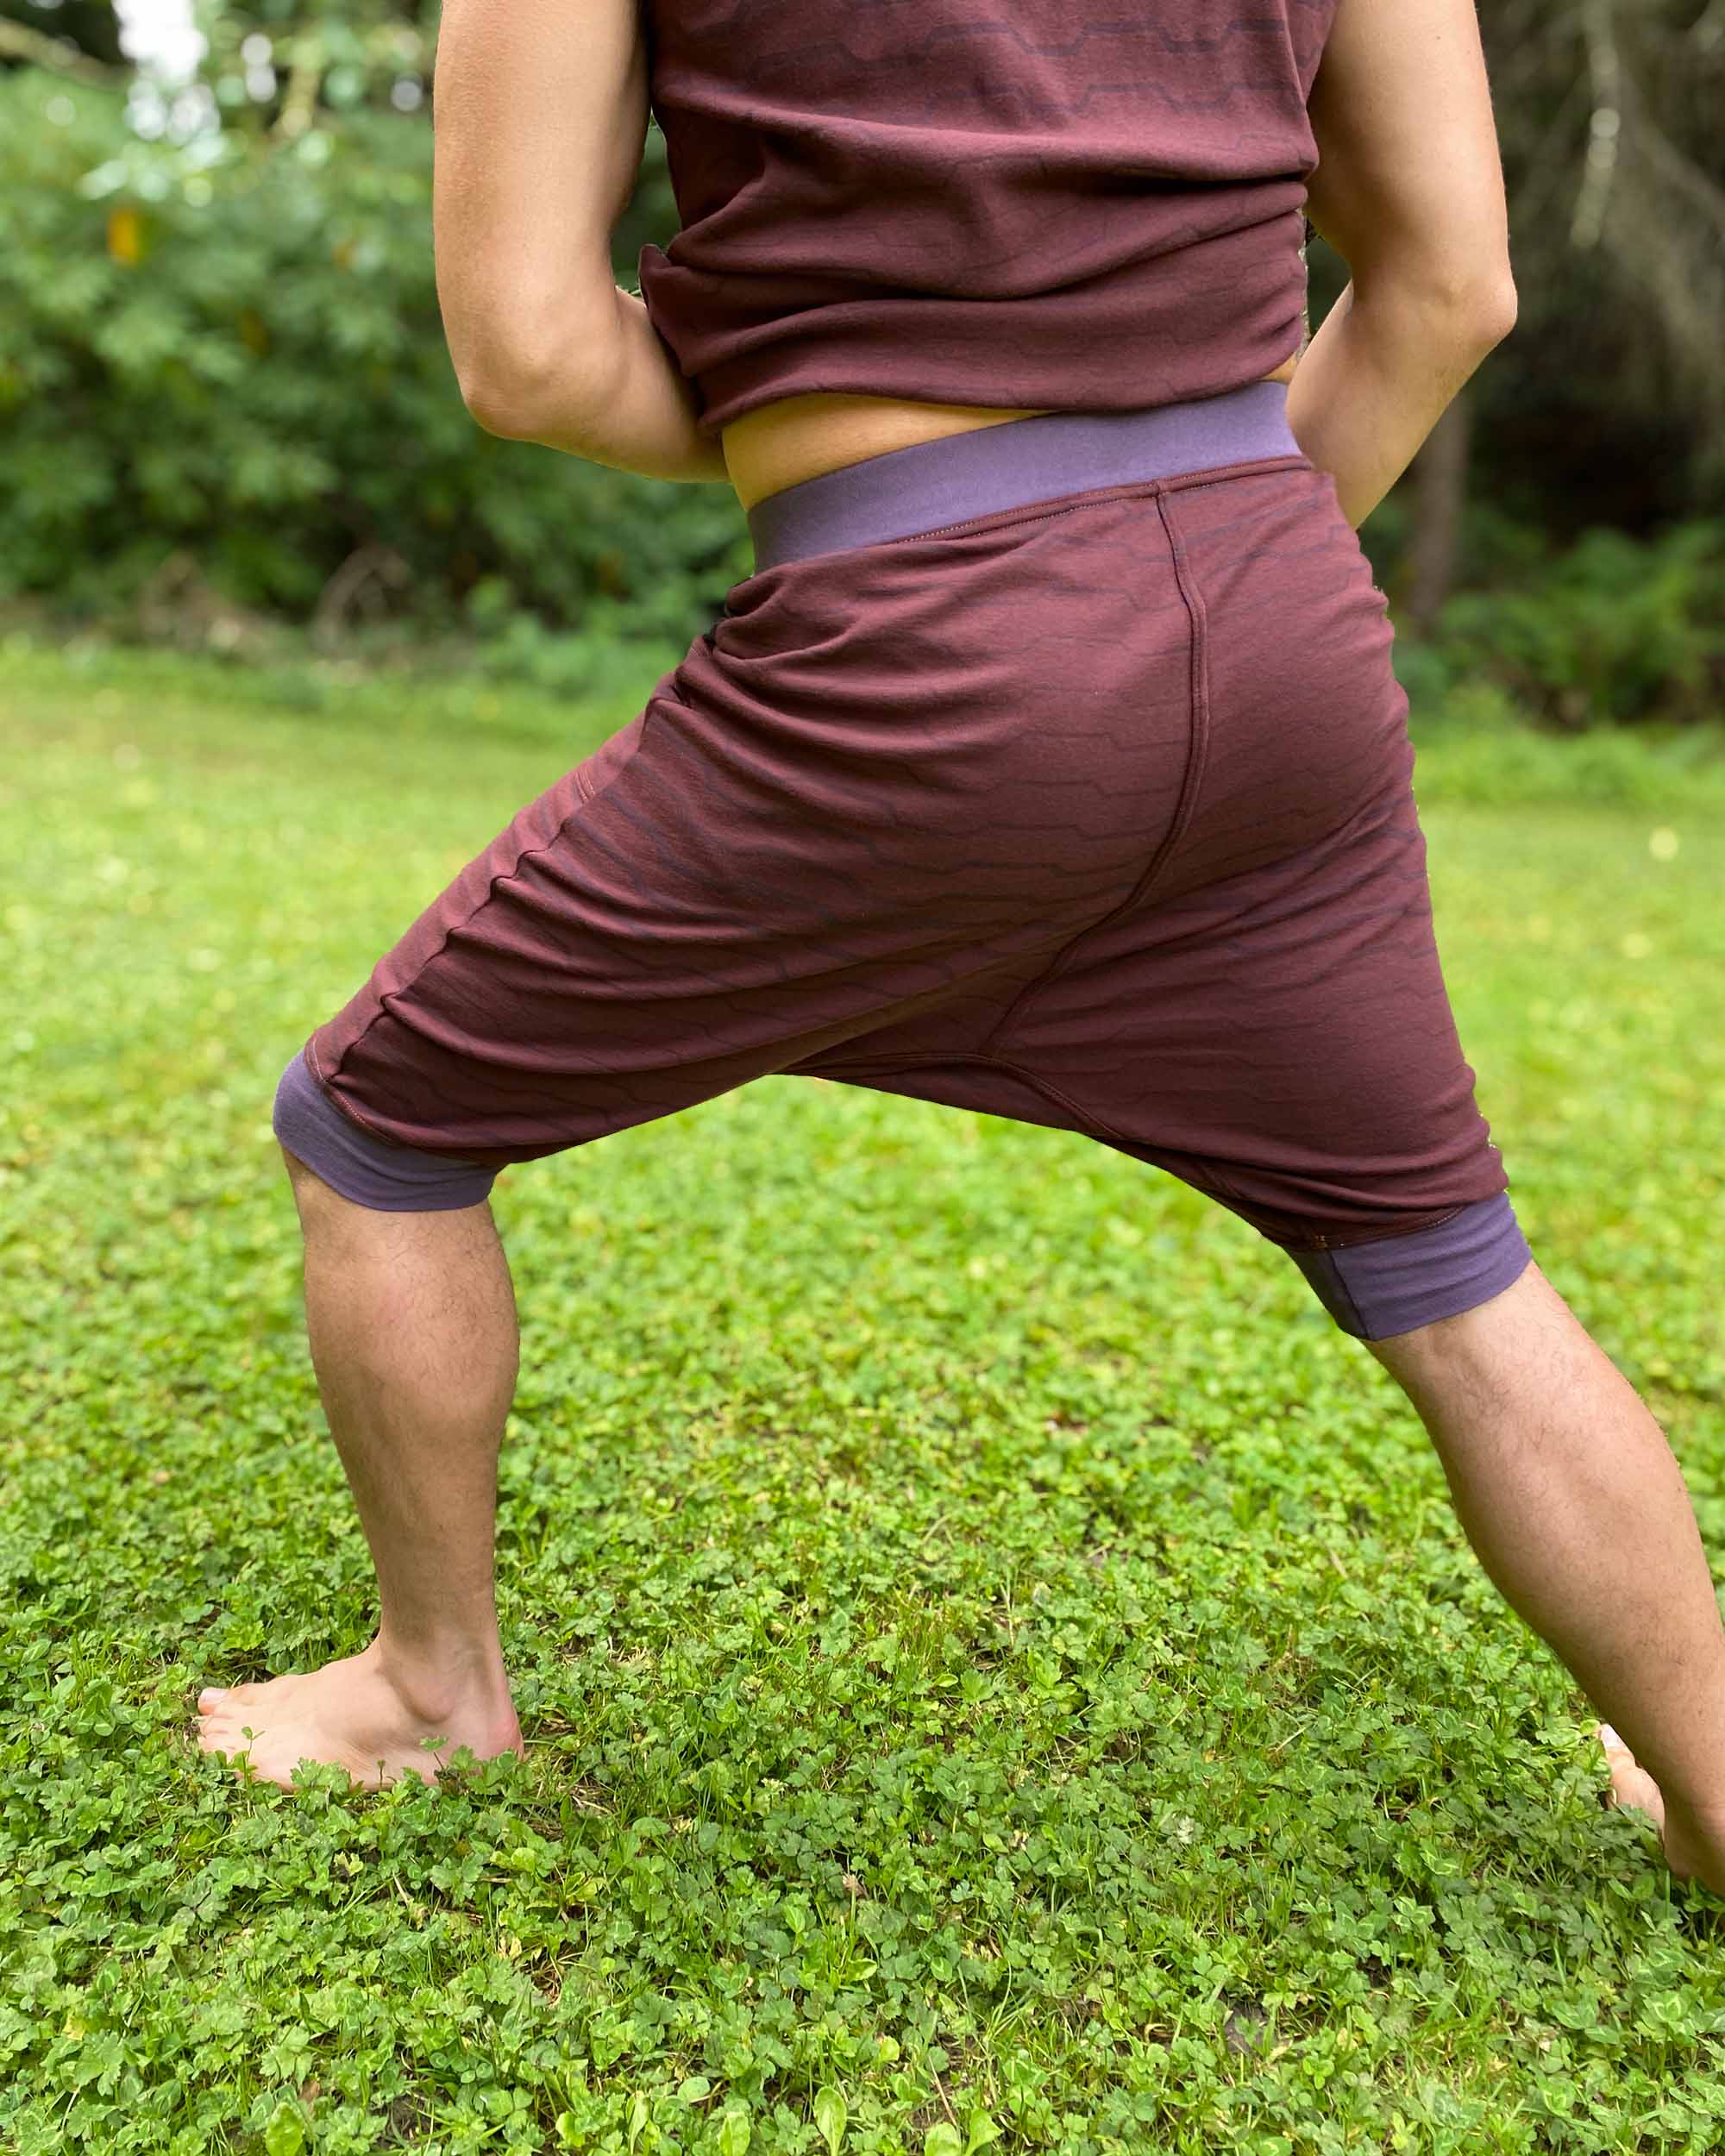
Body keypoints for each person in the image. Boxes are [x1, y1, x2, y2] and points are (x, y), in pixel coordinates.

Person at [194, 0, 1725, 1896]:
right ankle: (1712, 1789)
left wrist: (881, 439)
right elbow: (1455, 283)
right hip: (1280, 622)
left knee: (377, 1127)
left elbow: (529, 352)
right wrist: (1196, 571)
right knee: (1453, 1275)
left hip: (922, 639)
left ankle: (430, 1691)